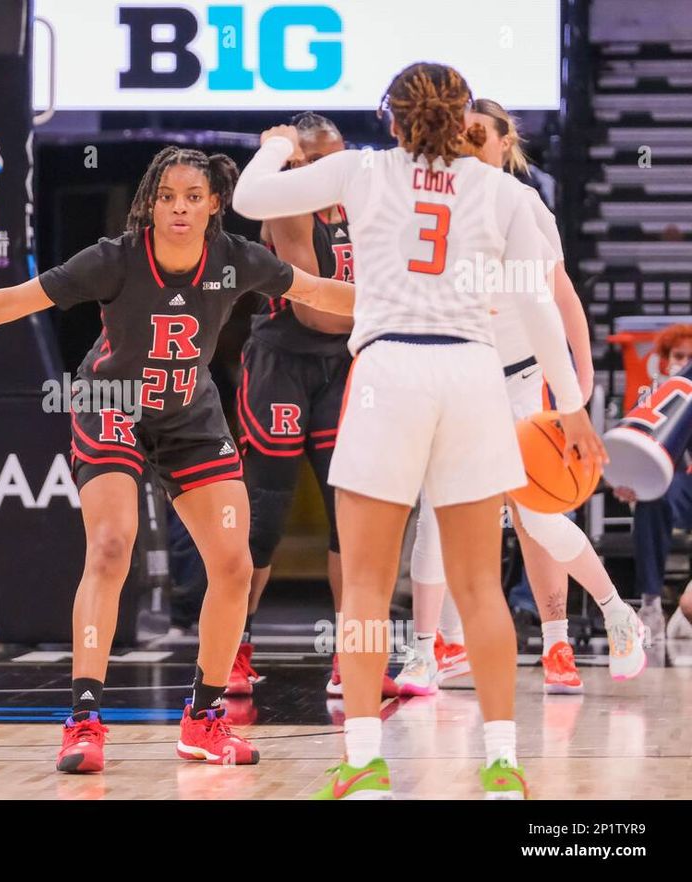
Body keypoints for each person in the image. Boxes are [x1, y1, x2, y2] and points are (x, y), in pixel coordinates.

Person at [0, 145, 355, 773]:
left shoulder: (237, 257)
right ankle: (83, 720)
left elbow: (323, 291)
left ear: (214, 204)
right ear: (150, 204)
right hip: (111, 405)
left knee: (234, 566)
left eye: (192, 197)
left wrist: (431, 313)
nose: (179, 209)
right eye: (167, 197)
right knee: (110, 546)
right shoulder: (115, 260)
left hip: (190, 416)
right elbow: (11, 301)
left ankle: (204, 719)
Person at [233, 62, 605, 799]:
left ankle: (366, 761)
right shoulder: (501, 192)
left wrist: (277, 144)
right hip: (471, 376)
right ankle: (502, 764)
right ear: (465, 119)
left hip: (388, 373)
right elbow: (536, 310)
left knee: (368, 586)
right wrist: (571, 409)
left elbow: (248, 197)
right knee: (479, 589)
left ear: (392, 118)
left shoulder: (363, 171)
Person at [398, 99, 646, 697]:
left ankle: (617, 612)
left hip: (517, 377)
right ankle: (425, 653)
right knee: (435, 513)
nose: (468, 142)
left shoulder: (524, 203)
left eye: (480, 134)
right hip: (454, 372)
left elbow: (558, 296)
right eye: (461, 134)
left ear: (505, 142)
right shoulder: (432, 200)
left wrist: (577, 388)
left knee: (537, 512)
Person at [230, 111, 399, 699]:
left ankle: (352, 658)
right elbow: (315, 312)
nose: (329, 168)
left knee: (350, 517)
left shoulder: (367, 196)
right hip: (284, 362)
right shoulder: (286, 203)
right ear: (296, 162)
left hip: (345, 364)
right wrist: (398, 309)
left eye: (336, 155)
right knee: (263, 517)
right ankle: (234, 648)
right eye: (314, 160)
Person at [612, 323, 692, 640]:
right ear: (665, 359)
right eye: (679, 356)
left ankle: (682, 603)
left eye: (691, 357)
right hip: (678, 485)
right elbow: (628, 453)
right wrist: (628, 481)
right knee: (650, 496)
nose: (684, 362)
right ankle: (651, 604)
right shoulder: (651, 399)